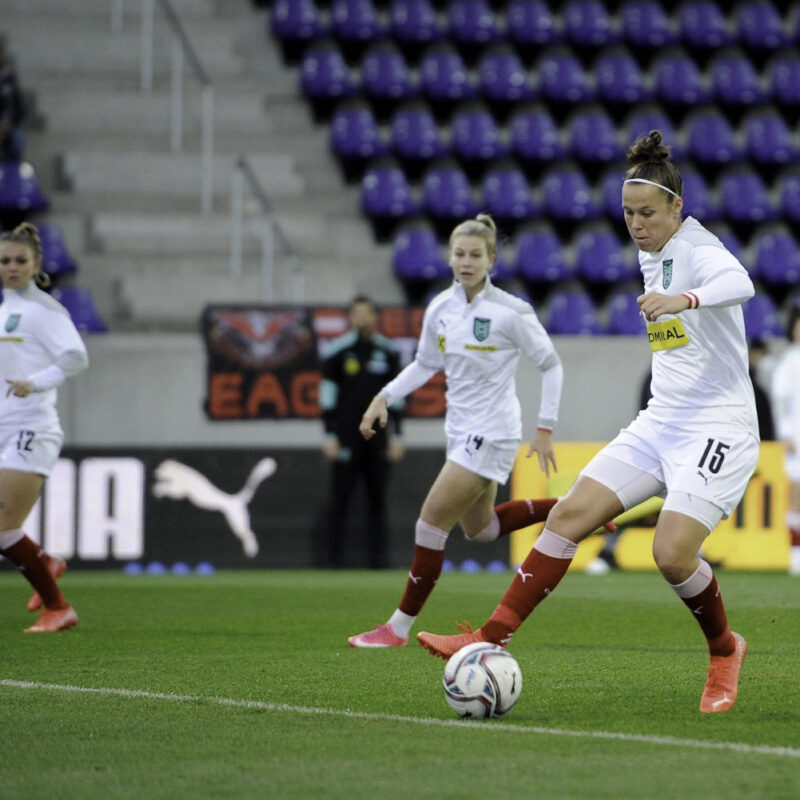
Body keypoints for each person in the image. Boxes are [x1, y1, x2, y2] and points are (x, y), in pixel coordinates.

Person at [417, 131, 759, 715]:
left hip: (719, 427)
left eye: (647, 213)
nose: (636, 224)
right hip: (661, 420)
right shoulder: (652, 251)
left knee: (672, 555)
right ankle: (488, 639)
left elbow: (741, 283)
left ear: (678, 206)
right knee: (568, 517)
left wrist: (686, 301)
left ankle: (725, 650)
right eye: (628, 213)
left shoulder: (699, 248)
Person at [349, 213, 571, 647]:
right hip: (460, 430)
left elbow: (551, 365)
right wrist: (384, 396)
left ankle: (396, 628)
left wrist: (545, 427)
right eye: (459, 254)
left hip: (492, 431)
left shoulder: (511, 311)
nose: (466, 262)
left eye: (475, 255)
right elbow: (425, 363)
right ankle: (568, 509)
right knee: (480, 529)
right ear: (450, 257)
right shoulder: (440, 308)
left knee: (430, 524)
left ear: (491, 260)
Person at [0, 222, 88, 632]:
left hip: (32, 427)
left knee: (3, 529)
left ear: (36, 265)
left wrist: (34, 383)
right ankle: (45, 562)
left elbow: (76, 357)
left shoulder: (44, 311)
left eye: (20, 260)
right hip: (5, 428)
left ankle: (59, 608)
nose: (12, 267)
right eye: (4, 260)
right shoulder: (5, 311)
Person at [319, 295, 405, 569]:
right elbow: (328, 395)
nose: (362, 319)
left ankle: (379, 560)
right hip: (346, 436)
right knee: (340, 497)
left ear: (374, 317)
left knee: (377, 498)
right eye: (356, 314)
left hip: (378, 437)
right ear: (350, 318)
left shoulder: (388, 352)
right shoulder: (337, 352)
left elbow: (397, 398)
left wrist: (398, 436)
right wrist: (329, 435)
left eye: (366, 313)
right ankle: (333, 560)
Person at [770, 303, 800, 576]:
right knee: (796, 497)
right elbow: (780, 402)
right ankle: (795, 555)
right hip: (796, 438)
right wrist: (786, 434)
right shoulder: (789, 362)